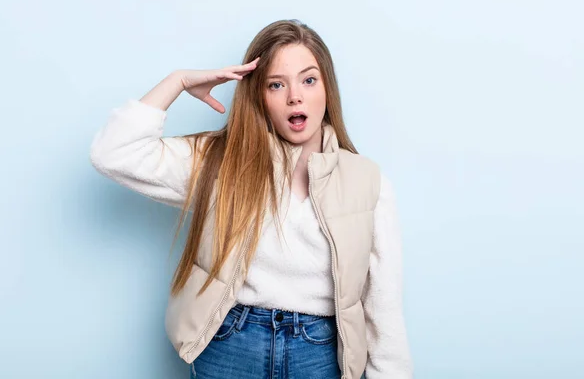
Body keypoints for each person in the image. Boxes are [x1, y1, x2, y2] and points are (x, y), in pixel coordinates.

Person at [90, 19, 412, 379]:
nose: (295, 96)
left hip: (320, 351)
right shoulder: (220, 162)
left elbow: (383, 305)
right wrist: (177, 81)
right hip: (231, 342)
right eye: (277, 84)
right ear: (259, 95)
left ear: (327, 89)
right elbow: (112, 154)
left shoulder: (368, 182)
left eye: (309, 80)